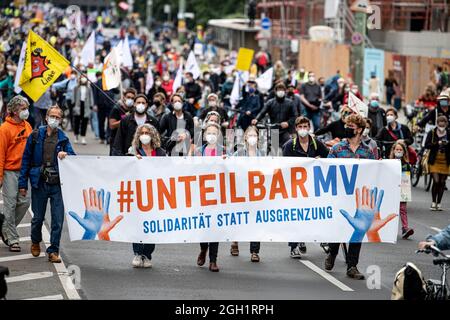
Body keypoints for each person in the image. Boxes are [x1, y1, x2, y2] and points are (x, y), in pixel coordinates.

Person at [18, 105, 76, 263]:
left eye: (58, 117)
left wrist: (67, 154)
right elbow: (26, 160)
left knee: (57, 220)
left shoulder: (63, 138)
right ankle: (35, 240)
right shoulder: (36, 135)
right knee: (38, 218)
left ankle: (53, 251)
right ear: (46, 117)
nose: (55, 120)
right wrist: (22, 184)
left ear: (61, 120)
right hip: (40, 182)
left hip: (57, 184)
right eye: (52, 116)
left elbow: (74, 159)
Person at [325, 114, 376, 280]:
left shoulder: (367, 152)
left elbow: (374, 172)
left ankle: (352, 266)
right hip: (340, 196)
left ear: (359, 130)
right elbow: (327, 169)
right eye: (347, 126)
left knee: (358, 230)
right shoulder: (337, 149)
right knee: (338, 229)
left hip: (359, 199)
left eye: (351, 127)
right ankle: (332, 252)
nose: (347, 129)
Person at [283, 116, 329, 257]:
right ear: (296, 129)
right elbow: (285, 166)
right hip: (296, 186)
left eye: (305, 127)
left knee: (316, 213)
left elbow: (330, 159)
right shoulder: (290, 145)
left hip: (314, 186)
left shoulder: (317, 144)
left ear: (309, 128)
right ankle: (294, 246)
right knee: (296, 215)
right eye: (300, 127)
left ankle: (321, 239)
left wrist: (320, 161)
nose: (303, 130)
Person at [127, 124, 166, 268]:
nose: (144, 135)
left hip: (155, 193)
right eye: (141, 132)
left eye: (147, 132)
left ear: (153, 135)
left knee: (151, 225)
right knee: (138, 223)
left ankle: (147, 254)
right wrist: (132, 160)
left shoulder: (160, 152)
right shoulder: (133, 151)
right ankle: (137, 253)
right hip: (138, 193)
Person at [0, 96, 32, 252]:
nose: (26, 111)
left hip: (24, 172)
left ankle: (4, 227)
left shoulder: (28, 126)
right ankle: (12, 239)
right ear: (13, 111)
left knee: (25, 202)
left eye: (26, 108)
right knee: (10, 204)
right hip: (9, 172)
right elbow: (0, 154)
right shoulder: (4, 129)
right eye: (22, 108)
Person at [194, 122, 225, 272]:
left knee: (215, 227)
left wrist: (228, 162)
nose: (212, 135)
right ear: (205, 135)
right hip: (201, 193)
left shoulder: (224, 152)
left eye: (215, 133)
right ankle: (203, 248)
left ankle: (213, 260)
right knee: (203, 226)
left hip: (219, 194)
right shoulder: (199, 152)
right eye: (209, 133)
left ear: (218, 135)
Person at [229, 126, 263, 261]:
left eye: (254, 136)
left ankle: (254, 251)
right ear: (245, 138)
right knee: (239, 218)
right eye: (250, 136)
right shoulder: (239, 153)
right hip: (241, 191)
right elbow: (230, 164)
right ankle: (235, 242)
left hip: (256, 192)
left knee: (256, 221)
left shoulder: (262, 155)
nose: (252, 138)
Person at [251, 83, 297, 148]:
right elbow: (262, 112)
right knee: (274, 150)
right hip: (274, 130)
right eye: (279, 90)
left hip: (285, 130)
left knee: (287, 148)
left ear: (285, 91)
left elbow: (295, 116)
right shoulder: (270, 102)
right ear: (275, 91)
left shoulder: (290, 103)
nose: (280, 91)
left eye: (282, 89)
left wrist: (288, 123)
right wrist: (256, 119)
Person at [425, 115, 450, 211]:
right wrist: (437, 143)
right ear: (437, 124)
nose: (441, 127)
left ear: (446, 124)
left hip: (445, 160)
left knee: (442, 182)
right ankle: (433, 202)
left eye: (443, 125)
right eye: (440, 125)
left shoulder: (449, 132)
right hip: (434, 160)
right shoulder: (432, 132)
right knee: (436, 181)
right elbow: (427, 145)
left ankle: (439, 203)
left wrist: (447, 143)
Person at [390, 141, 414, 239]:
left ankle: (405, 228)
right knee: (391, 209)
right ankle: (389, 228)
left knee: (403, 209)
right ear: (393, 150)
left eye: (400, 150)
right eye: (397, 149)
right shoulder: (389, 163)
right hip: (391, 189)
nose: (399, 151)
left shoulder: (407, 165)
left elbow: (408, 178)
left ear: (404, 152)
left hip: (402, 189)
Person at [109, 88, 136, 155]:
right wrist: (125, 119)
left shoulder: (135, 110)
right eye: (128, 97)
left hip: (130, 141)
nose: (130, 99)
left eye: (132, 98)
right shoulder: (116, 108)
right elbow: (112, 126)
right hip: (116, 140)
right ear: (124, 97)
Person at [73, 76, 94, 145]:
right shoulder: (76, 87)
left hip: (86, 106)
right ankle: (76, 136)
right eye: (82, 78)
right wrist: (73, 105)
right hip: (78, 105)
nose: (83, 80)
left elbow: (91, 97)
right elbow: (74, 96)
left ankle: (83, 137)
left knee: (84, 122)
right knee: (77, 122)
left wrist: (91, 105)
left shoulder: (89, 88)